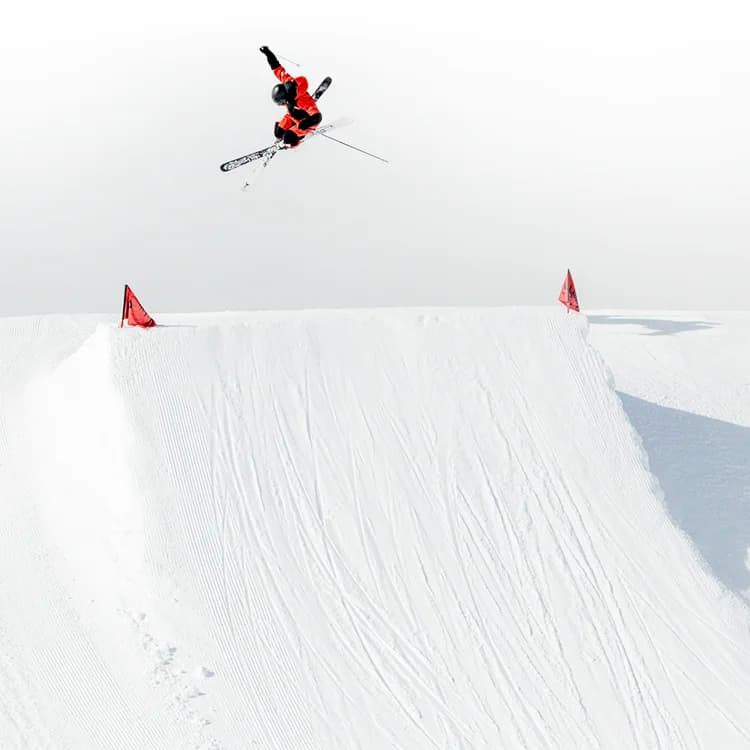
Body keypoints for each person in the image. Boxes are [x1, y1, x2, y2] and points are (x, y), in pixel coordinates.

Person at [259, 46, 322, 148]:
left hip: (303, 123)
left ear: (285, 98)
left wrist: (306, 123)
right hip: (292, 116)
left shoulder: (303, 101)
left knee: (288, 137)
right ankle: (287, 132)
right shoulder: (287, 82)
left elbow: (318, 117)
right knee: (278, 133)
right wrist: (268, 53)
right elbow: (276, 67)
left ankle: (294, 141)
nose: (282, 105)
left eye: (282, 103)